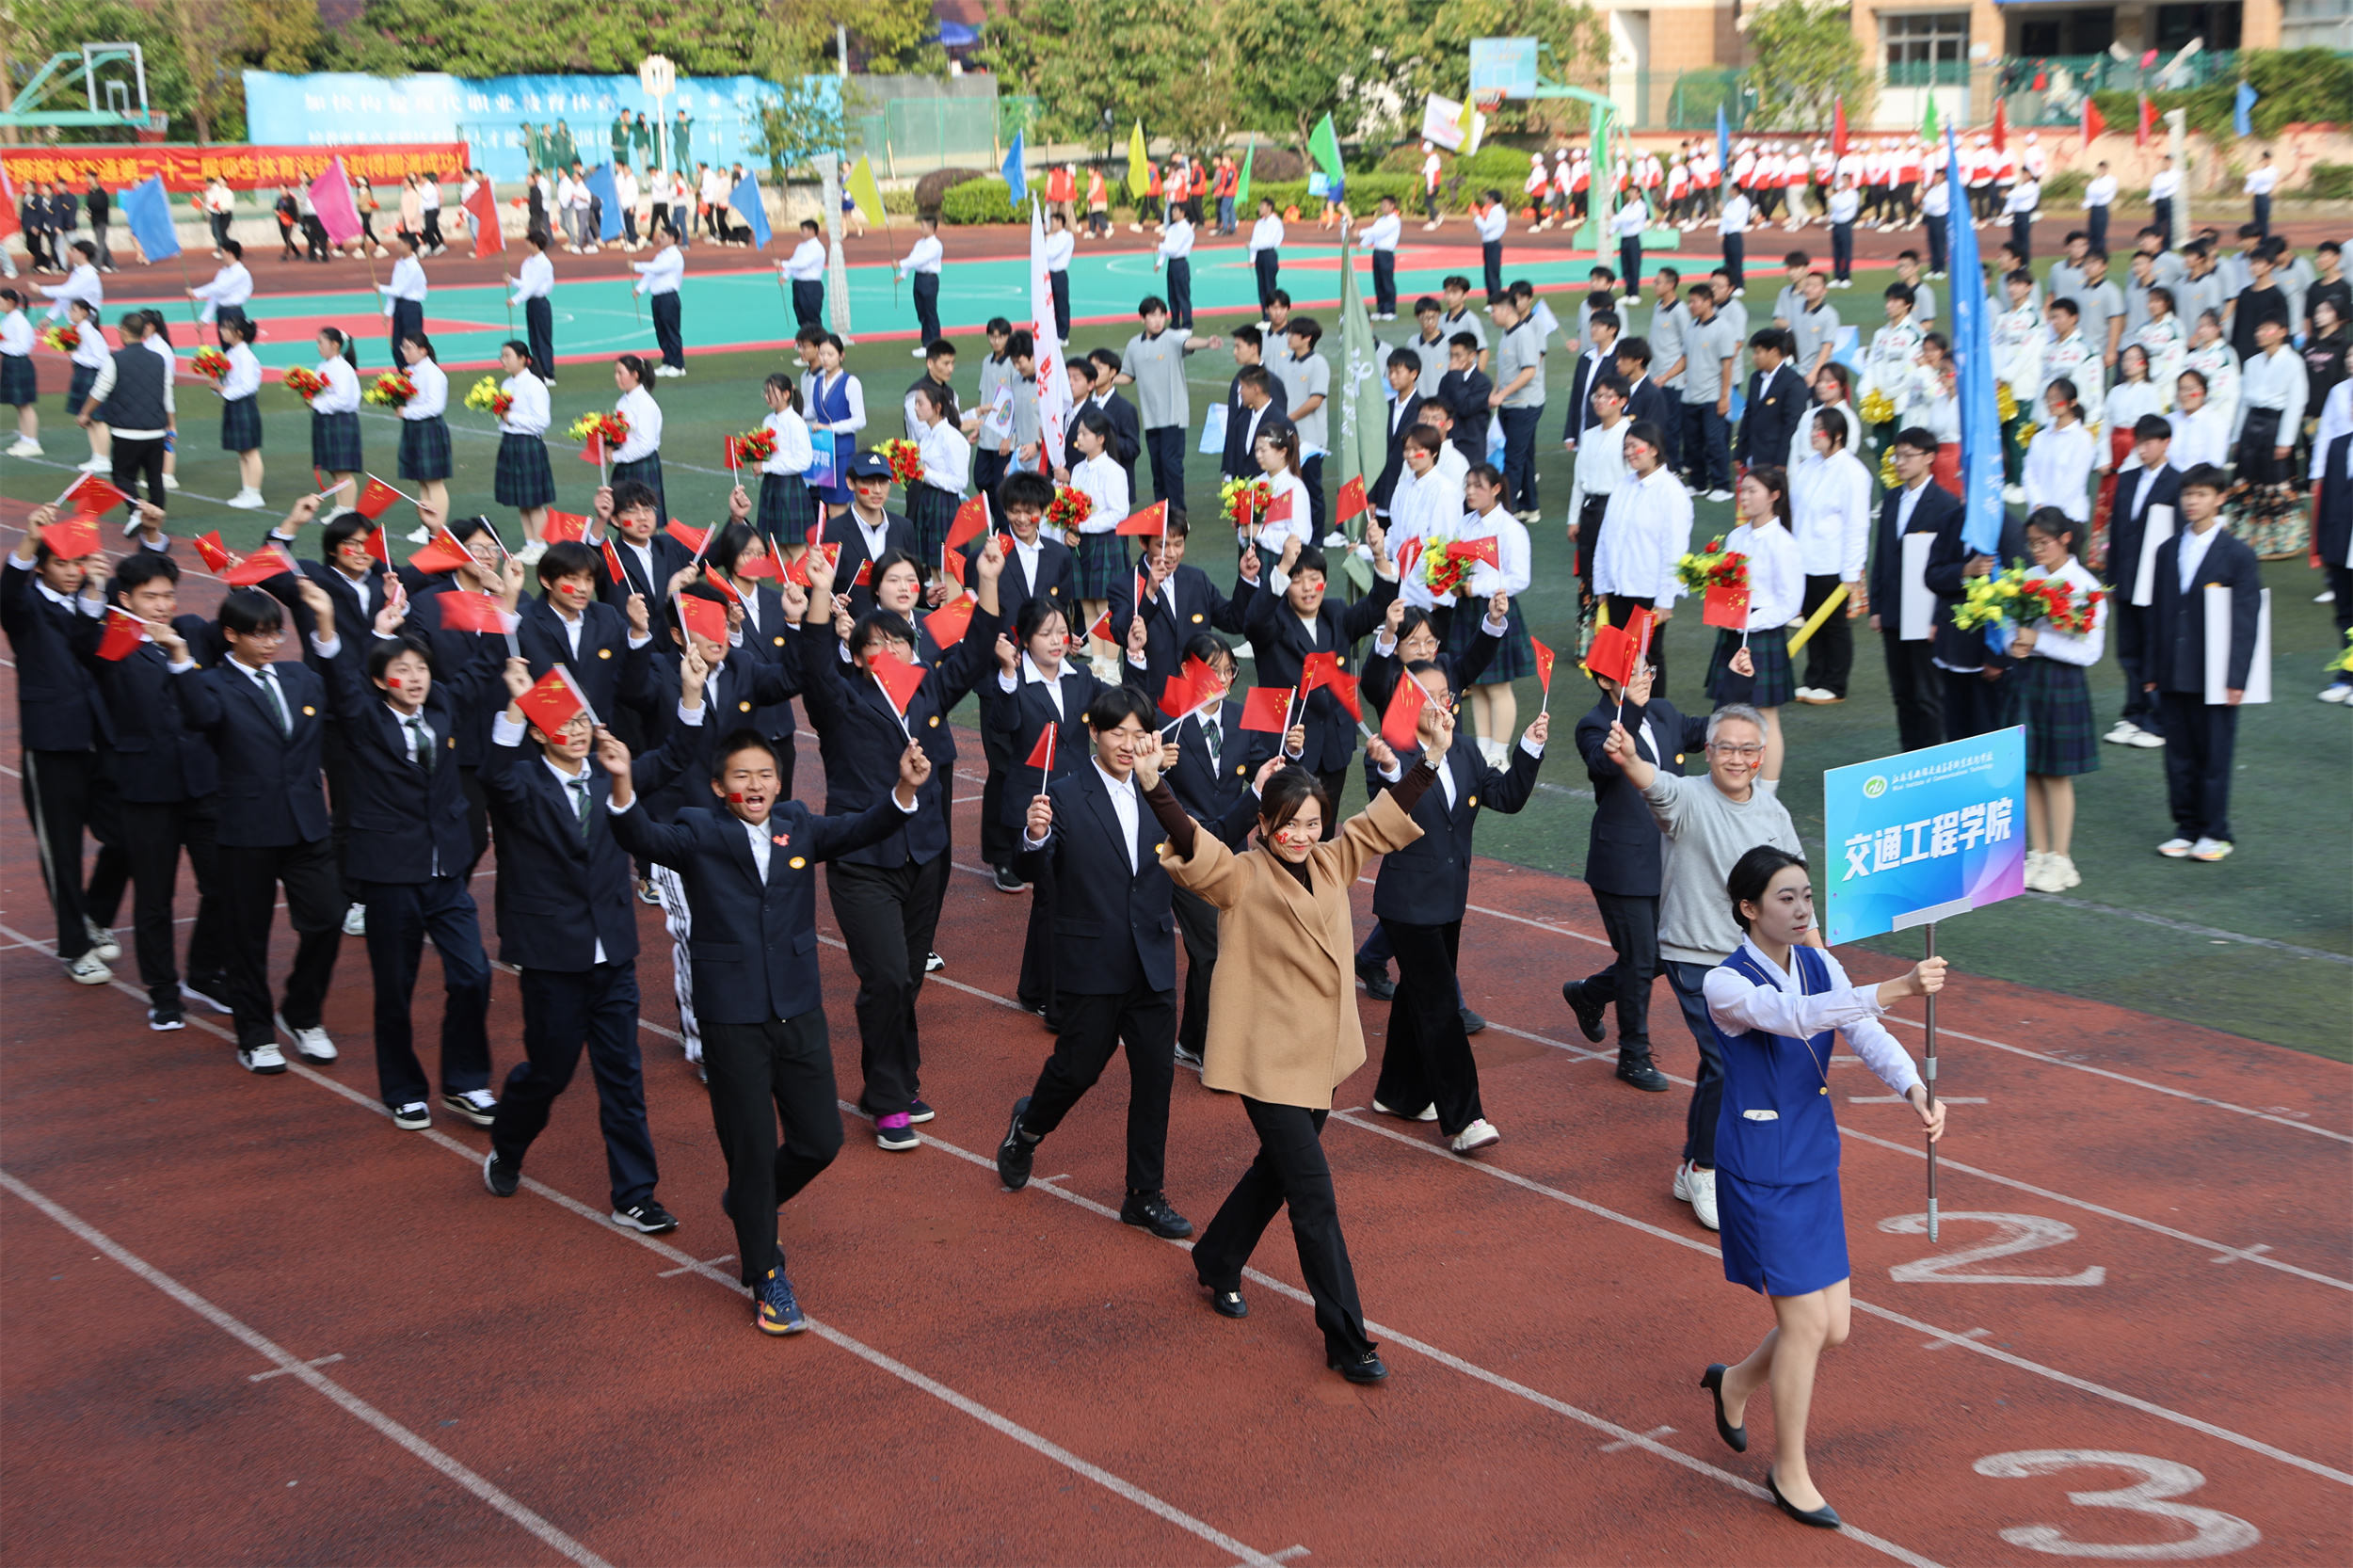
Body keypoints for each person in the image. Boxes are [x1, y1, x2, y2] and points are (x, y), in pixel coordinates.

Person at [611, 715, 931, 1333]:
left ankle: (747, 1203)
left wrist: (905, 789)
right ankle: (766, 1274)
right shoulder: (698, 830)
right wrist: (623, 783)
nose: (754, 785)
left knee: (821, 1140)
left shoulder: (798, 824)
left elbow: (864, 827)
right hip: (731, 1018)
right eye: (741, 776)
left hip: (798, 1009)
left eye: (765, 774)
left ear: (780, 782)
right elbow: (640, 836)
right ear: (719, 786)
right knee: (753, 1150)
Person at [1151, 734, 1433, 1385]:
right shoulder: (1242, 876)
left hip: (1320, 1058)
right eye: (1291, 824)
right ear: (1264, 823)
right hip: (1266, 1063)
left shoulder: (1333, 861)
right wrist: (1152, 787)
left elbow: (1381, 821)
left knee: (1275, 1173)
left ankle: (1218, 1257)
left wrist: (1432, 762)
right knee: (1314, 1197)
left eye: (1312, 823)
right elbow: (1193, 844)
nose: (1303, 835)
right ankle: (1347, 1339)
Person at [1696, 844, 1948, 1530]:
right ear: (1749, 909)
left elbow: (1861, 1029)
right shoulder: (1724, 984)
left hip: (1812, 1155)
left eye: (1807, 895)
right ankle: (1789, 1470)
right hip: (1759, 1168)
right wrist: (1898, 986)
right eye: (1786, 898)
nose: (1803, 908)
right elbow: (1795, 1016)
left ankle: (1735, 1382)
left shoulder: (1819, 961)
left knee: (1834, 1328)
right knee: (1806, 1324)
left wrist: (1914, 1088)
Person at [795, 534, 1003, 1143]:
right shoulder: (840, 701)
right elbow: (813, 663)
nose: (890, 650)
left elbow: (975, 651)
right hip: (862, 859)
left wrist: (989, 580)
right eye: (876, 644)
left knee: (906, 977)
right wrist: (817, 591)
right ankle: (888, 1099)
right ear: (858, 657)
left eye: (900, 642)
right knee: (886, 975)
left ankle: (894, 1078)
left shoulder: (928, 691)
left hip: (925, 854)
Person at [318, 575, 512, 1132]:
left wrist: (501, 606)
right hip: (390, 873)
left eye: (422, 669)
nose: (416, 678)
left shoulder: (444, 703)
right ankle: (403, 1090)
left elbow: (485, 665)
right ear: (382, 681)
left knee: (473, 975)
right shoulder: (365, 718)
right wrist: (334, 629)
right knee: (395, 988)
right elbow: (340, 680)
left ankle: (465, 1083)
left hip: (446, 871)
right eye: (402, 671)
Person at [1601, 703, 1801, 1232]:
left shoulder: (1773, 814)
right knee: (1730, 1062)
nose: (1737, 758)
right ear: (1707, 751)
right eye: (1726, 747)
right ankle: (1705, 1169)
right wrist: (1629, 758)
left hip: (1753, 960)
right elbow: (1655, 785)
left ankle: (1694, 1160)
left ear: (1762, 756)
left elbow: (1794, 892)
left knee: (1731, 1065)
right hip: (1695, 957)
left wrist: (1817, 956)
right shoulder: (1688, 797)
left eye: (1748, 749)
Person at [1365, 659, 1546, 1151]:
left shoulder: (1465, 750)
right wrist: (1390, 767)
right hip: (1407, 905)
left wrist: (1529, 747)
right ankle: (1466, 1119)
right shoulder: (1392, 755)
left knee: (1417, 994)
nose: (1440, 703)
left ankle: (1398, 1093)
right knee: (1442, 1005)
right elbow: (1392, 811)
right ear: (1408, 701)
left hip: (1449, 901)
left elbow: (1506, 797)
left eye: (1445, 694)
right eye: (1428, 695)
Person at [177, 583, 348, 1073]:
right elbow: (199, 716)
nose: (271, 643)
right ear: (231, 634)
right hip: (247, 828)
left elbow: (342, 692)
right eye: (259, 634)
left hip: (307, 825)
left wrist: (326, 625)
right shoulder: (212, 683)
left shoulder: (299, 676)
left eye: (276, 633)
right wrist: (178, 660)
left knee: (327, 918)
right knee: (246, 937)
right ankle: (254, 1036)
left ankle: (301, 1012)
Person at [83, 549, 231, 1029]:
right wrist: (92, 589)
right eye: (151, 597)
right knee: (154, 897)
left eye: (168, 595)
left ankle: (204, 972)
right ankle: (164, 992)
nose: (163, 605)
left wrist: (242, 579)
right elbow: (82, 637)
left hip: (203, 783)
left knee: (225, 885)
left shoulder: (191, 633)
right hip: (146, 789)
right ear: (126, 599)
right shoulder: (111, 643)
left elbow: (235, 628)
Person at [1561, 654, 1704, 1090]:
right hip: (1621, 865)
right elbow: (1606, 762)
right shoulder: (1593, 724)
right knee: (1641, 957)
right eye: (1634, 672)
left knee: (1665, 953)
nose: (1645, 678)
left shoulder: (1664, 712)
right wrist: (1634, 709)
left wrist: (1739, 686)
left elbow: (1711, 730)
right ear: (1606, 680)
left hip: (1671, 860)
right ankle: (1632, 1056)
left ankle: (1590, 993)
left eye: (1648, 670)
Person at [3, 512, 126, 986]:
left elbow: (95, 652)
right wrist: (29, 540)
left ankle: (95, 914)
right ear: (42, 566)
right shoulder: (24, 606)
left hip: (101, 738)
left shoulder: (93, 601)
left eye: (80, 561)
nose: (74, 571)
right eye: (63, 563)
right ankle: (76, 947)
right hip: (52, 743)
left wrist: (96, 591)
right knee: (62, 850)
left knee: (128, 835)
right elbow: (7, 593)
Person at [1242, 536, 1399, 834]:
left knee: (1323, 829)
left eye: (1314, 579)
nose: (1307, 587)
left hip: (1333, 743)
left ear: (1324, 582)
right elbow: (1253, 621)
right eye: (1296, 580)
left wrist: (1379, 555)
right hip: (1286, 741)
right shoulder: (1273, 620)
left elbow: (1376, 606)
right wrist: (1284, 564)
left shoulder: (1336, 612)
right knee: (1282, 828)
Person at [2146, 464, 2262, 863]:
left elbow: (2246, 621)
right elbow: (2157, 613)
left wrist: (2236, 678)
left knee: (2214, 755)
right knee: (2178, 756)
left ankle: (2215, 832)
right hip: (2172, 670)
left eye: (2201, 494)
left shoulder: (2238, 555)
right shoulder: (2166, 550)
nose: (2192, 502)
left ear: (2220, 498)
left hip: (2215, 675)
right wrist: (2151, 670)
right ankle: (2186, 828)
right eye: (2187, 494)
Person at [1705, 467, 1803, 782]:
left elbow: (1790, 604)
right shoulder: (1736, 536)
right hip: (1735, 629)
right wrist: (1721, 612)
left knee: (1766, 716)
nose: (1743, 497)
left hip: (1762, 633)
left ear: (1774, 496)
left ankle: (1768, 794)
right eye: (1742, 490)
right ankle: (1730, 782)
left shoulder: (1784, 543)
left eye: (1752, 491)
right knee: (1728, 710)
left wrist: (1747, 621)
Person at [1867, 429, 1959, 750]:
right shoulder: (1892, 498)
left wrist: (1938, 618)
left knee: (1928, 695)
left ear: (1929, 457)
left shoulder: (1946, 504)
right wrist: (1876, 606)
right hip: (1893, 610)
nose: (1900, 462)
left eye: (1908, 455)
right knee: (1902, 693)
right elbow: (1882, 554)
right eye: (1897, 455)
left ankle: (1931, 762)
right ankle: (1908, 757)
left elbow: (1948, 565)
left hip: (1924, 616)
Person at [1591, 421, 1689, 695]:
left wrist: (1665, 600)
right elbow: (1605, 538)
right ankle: (1621, 707)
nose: (1629, 452)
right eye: (1626, 447)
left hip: (1647, 592)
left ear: (1654, 449)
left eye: (1636, 446)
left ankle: (1653, 712)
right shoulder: (1623, 486)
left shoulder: (1672, 492)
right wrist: (1601, 586)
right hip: (1618, 589)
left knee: (1648, 656)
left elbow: (1675, 551)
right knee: (1617, 653)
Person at [1449, 467, 1535, 761]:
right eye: (1468, 485)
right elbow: (1456, 563)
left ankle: (1499, 754)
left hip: (1496, 608)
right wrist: (1453, 582)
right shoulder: (1465, 523)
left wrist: (1477, 587)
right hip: (1468, 608)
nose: (1470, 491)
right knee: (1477, 683)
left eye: (1478, 486)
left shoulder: (1510, 528)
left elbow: (1520, 578)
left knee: (1498, 687)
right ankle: (1483, 750)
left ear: (1496, 489)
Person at [76, 312, 172, 546]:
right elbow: (167, 396)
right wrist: (170, 424)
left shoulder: (116, 359)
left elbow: (100, 390)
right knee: (155, 479)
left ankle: (138, 509)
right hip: (156, 430)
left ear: (125, 331)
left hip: (126, 431)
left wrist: (85, 413)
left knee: (122, 477)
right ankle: (154, 524)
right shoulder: (159, 359)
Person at [1114, 296, 1220, 506]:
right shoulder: (1134, 345)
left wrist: (1207, 342)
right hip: (1151, 418)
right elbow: (1128, 376)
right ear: (1142, 318)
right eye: (1153, 315)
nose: (1158, 320)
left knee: (1171, 466)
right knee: (1158, 468)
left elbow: (1188, 342)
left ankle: (1177, 513)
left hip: (1173, 416)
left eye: (1161, 315)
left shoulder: (1172, 337)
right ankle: (1161, 511)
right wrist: (1106, 379)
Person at [1488, 295, 1546, 521]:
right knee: (1524, 457)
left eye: (1494, 310)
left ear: (1506, 310)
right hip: (1510, 404)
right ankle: (1530, 507)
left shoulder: (1523, 334)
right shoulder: (1507, 333)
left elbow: (1530, 371)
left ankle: (1504, 514)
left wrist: (1501, 394)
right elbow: (1504, 369)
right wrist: (1495, 391)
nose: (1492, 315)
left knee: (1512, 460)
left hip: (1523, 405)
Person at [752, 372, 818, 552]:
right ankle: (786, 573)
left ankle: (803, 573)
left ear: (786, 394)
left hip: (789, 485)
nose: (767, 397)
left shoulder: (795, 422)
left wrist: (766, 466)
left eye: (772, 392)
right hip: (772, 484)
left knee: (796, 549)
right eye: (765, 392)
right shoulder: (768, 420)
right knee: (778, 546)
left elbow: (804, 461)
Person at [805, 333, 865, 513]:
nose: (825, 358)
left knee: (838, 505)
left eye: (830, 354)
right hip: (823, 452)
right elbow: (812, 410)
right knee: (827, 504)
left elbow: (860, 420)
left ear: (841, 356)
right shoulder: (817, 382)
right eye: (821, 354)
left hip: (841, 452)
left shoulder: (851, 382)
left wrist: (830, 428)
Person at [394, 332, 452, 520]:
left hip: (429, 428)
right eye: (403, 347)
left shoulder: (433, 373)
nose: (404, 352)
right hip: (415, 428)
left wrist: (406, 412)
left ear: (423, 350)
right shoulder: (412, 371)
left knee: (433, 481)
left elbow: (435, 407)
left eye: (409, 348)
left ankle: (438, 525)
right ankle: (428, 523)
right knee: (422, 479)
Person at [307, 327, 363, 506]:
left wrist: (316, 403)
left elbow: (343, 399)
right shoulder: (323, 366)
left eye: (321, 342)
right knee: (333, 468)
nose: (318, 346)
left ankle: (347, 509)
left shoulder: (342, 368)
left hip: (340, 420)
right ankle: (341, 507)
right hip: (327, 420)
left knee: (342, 471)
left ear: (335, 344)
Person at [610, 353, 667, 521]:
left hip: (641, 465)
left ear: (635, 374)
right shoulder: (623, 401)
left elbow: (646, 445)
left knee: (646, 520)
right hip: (626, 464)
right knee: (624, 517)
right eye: (615, 372)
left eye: (620, 373)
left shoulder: (645, 404)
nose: (616, 377)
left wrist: (615, 456)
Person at [632, 220, 686, 376]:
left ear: (672, 239)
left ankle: (678, 365)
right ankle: (668, 361)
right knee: (661, 332)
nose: (659, 239)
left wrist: (636, 266)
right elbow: (651, 273)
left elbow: (659, 268)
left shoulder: (675, 255)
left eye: (663, 236)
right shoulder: (661, 255)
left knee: (671, 332)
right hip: (657, 298)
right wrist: (639, 289)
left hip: (669, 297)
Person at [508, 228, 557, 384]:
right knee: (534, 338)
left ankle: (548, 373)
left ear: (535, 244)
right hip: (531, 302)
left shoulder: (544, 263)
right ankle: (537, 371)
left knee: (543, 338)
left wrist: (516, 300)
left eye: (529, 241)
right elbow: (526, 283)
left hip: (540, 302)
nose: (526, 244)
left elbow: (533, 286)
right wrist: (512, 281)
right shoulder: (528, 261)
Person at [188, 238, 253, 343]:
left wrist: (196, 292)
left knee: (235, 345)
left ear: (230, 253)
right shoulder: (223, 272)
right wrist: (204, 318)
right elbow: (215, 297)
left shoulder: (241, 273)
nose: (222, 256)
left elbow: (220, 289)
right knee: (225, 346)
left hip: (234, 313)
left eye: (223, 253)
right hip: (222, 313)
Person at [896, 215, 944, 352]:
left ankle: (934, 345)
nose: (920, 229)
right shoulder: (919, 243)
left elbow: (921, 259)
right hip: (919, 279)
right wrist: (902, 274)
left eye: (922, 226)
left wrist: (900, 263)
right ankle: (926, 343)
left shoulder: (936, 246)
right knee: (922, 313)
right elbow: (912, 258)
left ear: (931, 228)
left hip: (929, 280)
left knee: (930, 313)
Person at [378, 231, 427, 351]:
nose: (397, 246)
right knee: (397, 344)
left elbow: (399, 290)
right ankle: (402, 364)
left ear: (408, 246)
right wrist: (388, 312)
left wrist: (380, 288)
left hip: (410, 307)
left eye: (400, 243)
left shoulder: (414, 267)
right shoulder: (399, 263)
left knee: (412, 343)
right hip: (399, 306)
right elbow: (394, 287)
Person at [1, 289, 36, 456]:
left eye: (1, 301)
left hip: (19, 363)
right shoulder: (9, 319)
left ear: (10, 302)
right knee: (19, 404)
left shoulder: (19, 321)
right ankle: (25, 439)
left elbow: (23, 347)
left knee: (24, 405)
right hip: (11, 362)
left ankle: (33, 442)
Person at [782, 218, 826, 329]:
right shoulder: (801, 246)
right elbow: (794, 261)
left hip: (810, 286)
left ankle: (818, 338)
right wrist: (785, 276)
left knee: (811, 316)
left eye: (803, 230)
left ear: (812, 231)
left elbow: (803, 264)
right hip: (798, 284)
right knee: (801, 315)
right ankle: (806, 337)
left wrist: (782, 263)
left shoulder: (817, 248)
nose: (801, 233)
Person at [1247, 198, 1284, 318]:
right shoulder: (1259, 223)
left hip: (1269, 255)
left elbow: (1269, 242)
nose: (1260, 208)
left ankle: (1273, 315)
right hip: (1260, 256)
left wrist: (1251, 245)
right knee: (1261, 287)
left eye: (1262, 206)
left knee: (1270, 287)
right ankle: (1265, 315)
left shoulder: (1276, 223)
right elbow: (1255, 239)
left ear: (1269, 207)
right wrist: (1252, 259)